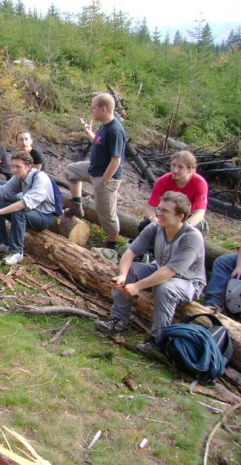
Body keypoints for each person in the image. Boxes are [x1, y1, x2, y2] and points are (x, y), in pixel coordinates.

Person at [95, 192, 206, 354]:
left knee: (165, 288)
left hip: (187, 281)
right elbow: (130, 252)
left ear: (180, 216)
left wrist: (137, 286)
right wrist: (123, 276)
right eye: (158, 209)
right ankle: (119, 320)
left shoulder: (192, 238)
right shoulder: (156, 227)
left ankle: (157, 341)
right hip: (160, 268)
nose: (158, 214)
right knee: (129, 270)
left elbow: (169, 272)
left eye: (165, 211)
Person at [64, 93, 125, 250]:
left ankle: (112, 244)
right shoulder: (104, 125)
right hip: (93, 169)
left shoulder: (115, 130)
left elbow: (116, 160)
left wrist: (104, 181)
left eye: (93, 108)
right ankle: (77, 205)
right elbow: (99, 143)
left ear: (103, 109)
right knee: (71, 171)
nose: (91, 110)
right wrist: (89, 133)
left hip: (107, 176)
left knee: (106, 214)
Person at [0, 151, 56, 266]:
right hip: (29, 211)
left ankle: (16, 252)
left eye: (18, 167)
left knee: (18, 212)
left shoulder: (40, 179)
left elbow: (23, 204)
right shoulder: (18, 176)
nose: (14, 170)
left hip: (43, 216)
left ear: (28, 167)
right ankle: (2, 242)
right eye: (13, 166)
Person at [143, 150, 209, 236]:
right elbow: (150, 209)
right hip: (165, 215)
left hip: (186, 217)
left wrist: (184, 227)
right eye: (173, 165)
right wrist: (155, 221)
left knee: (195, 230)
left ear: (190, 169)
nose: (175, 170)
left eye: (180, 167)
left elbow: (199, 213)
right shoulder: (162, 181)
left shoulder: (200, 183)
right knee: (144, 226)